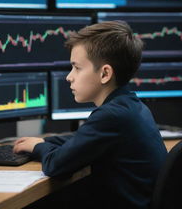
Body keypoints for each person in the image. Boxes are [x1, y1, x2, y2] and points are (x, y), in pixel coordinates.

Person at [13, 21, 167, 208]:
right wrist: (46, 142)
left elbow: (55, 166)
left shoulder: (112, 115)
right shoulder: (131, 105)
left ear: (105, 74)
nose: (69, 76)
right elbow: (83, 140)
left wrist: (38, 146)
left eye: (77, 68)